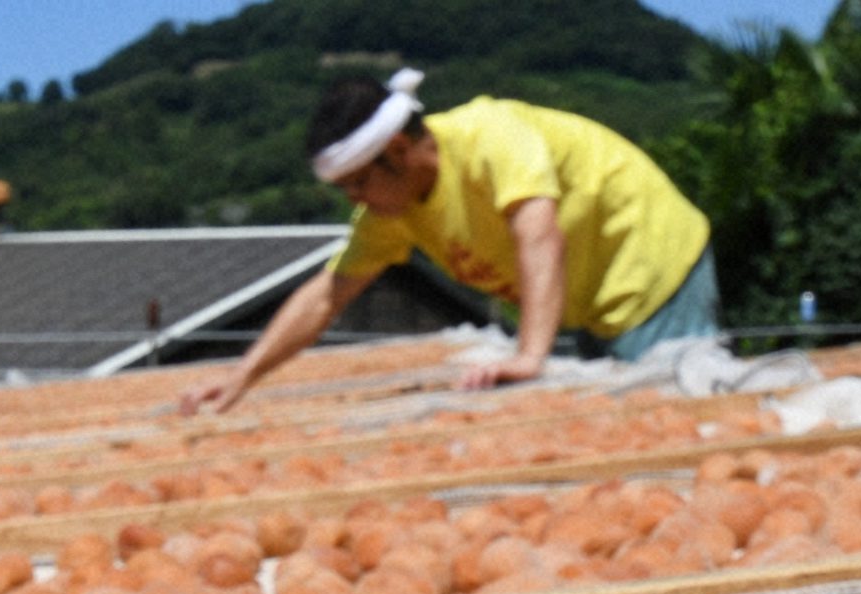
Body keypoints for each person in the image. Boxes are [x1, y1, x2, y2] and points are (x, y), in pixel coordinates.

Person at [180, 69, 718, 412]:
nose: (356, 200)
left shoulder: (490, 137)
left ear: (398, 148)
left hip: (647, 265)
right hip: (583, 301)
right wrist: (242, 377)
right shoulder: (390, 211)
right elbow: (328, 294)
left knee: (671, 410)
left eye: (359, 183)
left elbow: (538, 234)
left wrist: (531, 354)